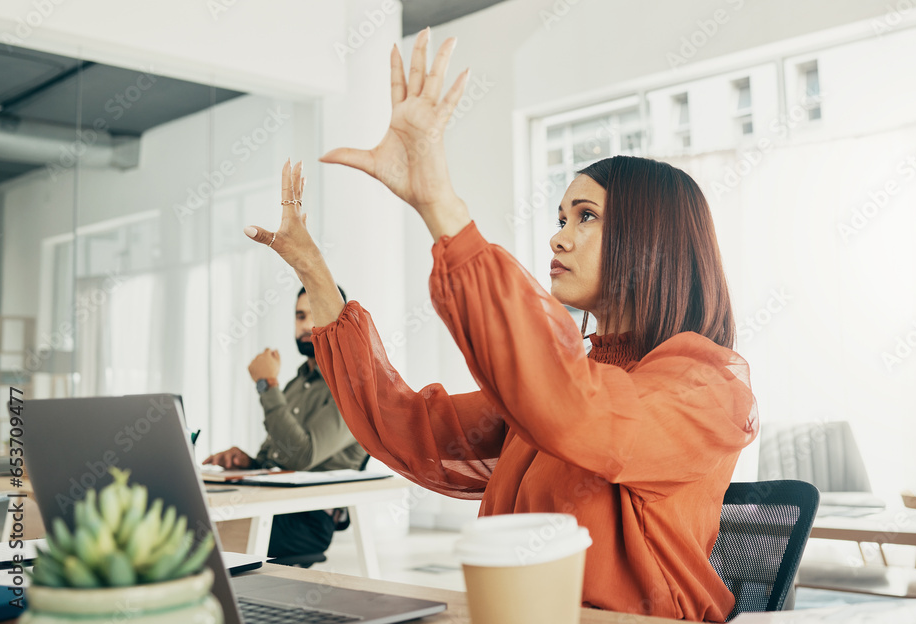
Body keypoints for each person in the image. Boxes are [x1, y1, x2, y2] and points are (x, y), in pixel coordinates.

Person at [243, 30, 757, 621]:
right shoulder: (571, 380)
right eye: (562, 215)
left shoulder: (707, 389)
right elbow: (411, 428)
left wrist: (439, 201)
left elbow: (579, 411)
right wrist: (313, 270)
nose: (558, 235)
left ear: (652, 242)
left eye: (585, 216)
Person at [203, 286, 367, 560]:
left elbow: (302, 456)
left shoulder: (352, 387)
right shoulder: (294, 385)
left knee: (197, 534)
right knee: (185, 516)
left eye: (314, 315)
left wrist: (267, 385)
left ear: (340, 323)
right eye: (299, 315)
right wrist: (250, 463)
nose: (305, 324)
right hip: (270, 502)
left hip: (306, 519)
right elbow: (276, 457)